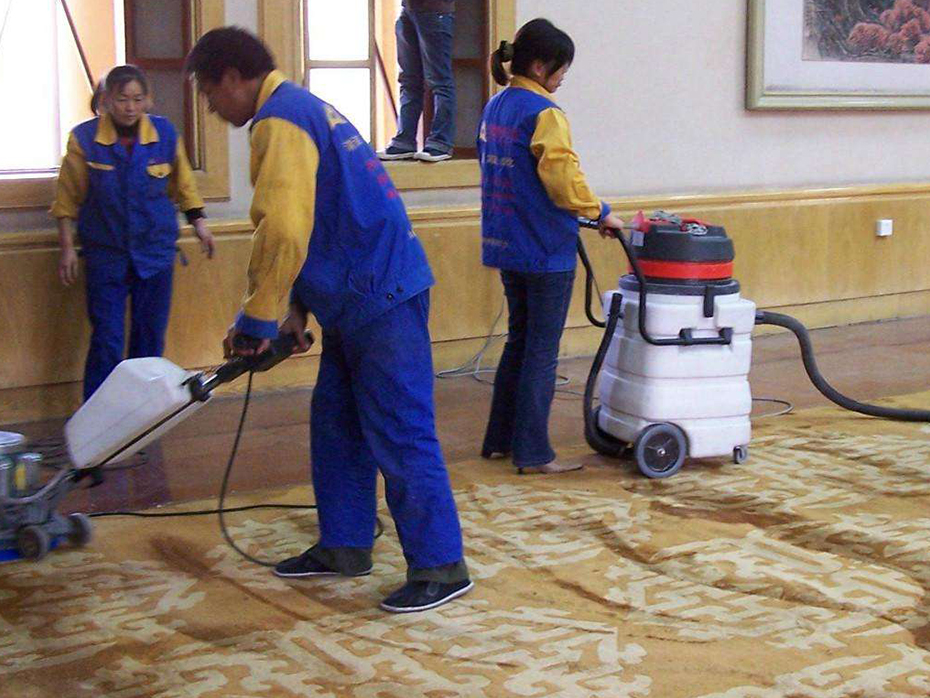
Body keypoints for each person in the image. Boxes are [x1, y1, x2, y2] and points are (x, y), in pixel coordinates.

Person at [184, 27, 472, 613]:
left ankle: (442, 565)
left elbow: (285, 229)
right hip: (356, 294)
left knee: (400, 428)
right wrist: (295, 309)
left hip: (380, 293)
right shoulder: (304, 107)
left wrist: (256, 322)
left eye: (210, 94)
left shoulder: (280, 120)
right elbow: (320, 219)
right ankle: (345, 544)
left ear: (232, 78)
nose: (211, 109)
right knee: (337, 423)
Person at [478, 19, 626, 475]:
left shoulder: (496, 106)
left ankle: (499, 440)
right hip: (544, 249)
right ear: (541, 67)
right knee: (541, 352)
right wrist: (601, 212)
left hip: (507, 242)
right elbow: (562, 179)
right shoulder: (545, 113)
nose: (563, 79)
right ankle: (534, 453)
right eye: (562, 70)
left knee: (518, 342)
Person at [51, 65, 214, 401]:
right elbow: (66, 199)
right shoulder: (84, 139)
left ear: (148, 100)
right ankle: (99, 414)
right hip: (106, 255)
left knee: (149, 338)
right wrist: (67, 249)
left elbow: (184, 185)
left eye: (138, 99)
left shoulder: (165, 134)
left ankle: (142, 412)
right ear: (106, 100)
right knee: (107, 339)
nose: (130, 107)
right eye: (122, 99)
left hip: (155, 253)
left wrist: (200, 224)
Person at [378, 0, 456, 162]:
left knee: (440, 82)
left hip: (435, 11)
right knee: (409, 81)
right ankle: (404, 141)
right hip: (408, 10)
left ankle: (441, 143)